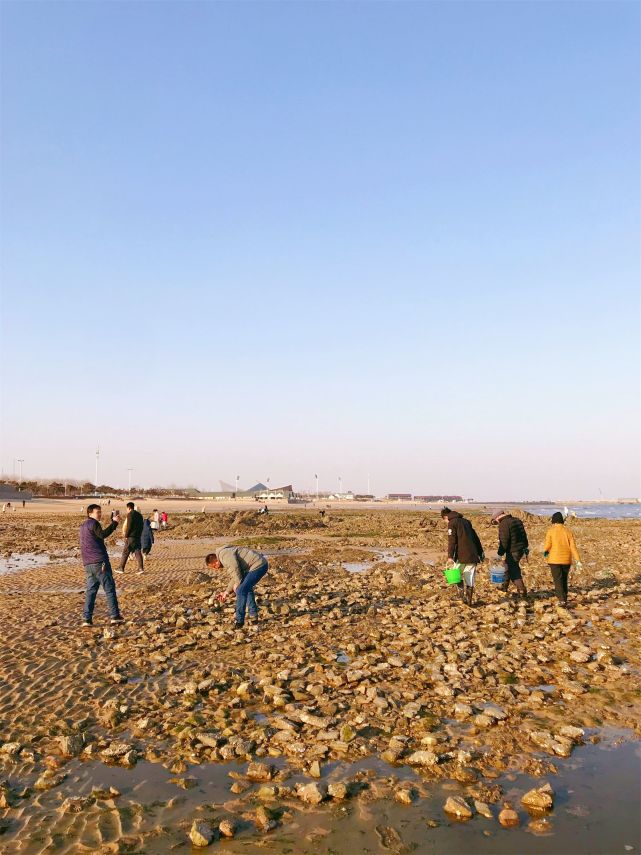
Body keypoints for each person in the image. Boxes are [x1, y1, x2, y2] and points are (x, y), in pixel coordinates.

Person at [79, 504, 124, 626]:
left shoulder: (83, 526)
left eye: (100, 511)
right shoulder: (93, 524)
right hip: (99, 562)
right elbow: (103, 534)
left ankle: (87, 619)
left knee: (91, 592)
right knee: (109, 589)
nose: (100, 514)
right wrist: (114, 523)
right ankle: (115, 616)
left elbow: (95, 538)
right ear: (90, 513)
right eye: (97, 512)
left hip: (88, 563)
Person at [205, 546, 269, 629]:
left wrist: (238, 583)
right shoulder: (225, 555)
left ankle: (239, 621)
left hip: (258, 565)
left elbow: (235, 569)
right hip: (255, 565)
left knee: (241, 590)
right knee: (246, 588)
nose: (216, 569)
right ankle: (254, 617)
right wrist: (226, 592)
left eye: (214, 567)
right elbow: (235, 575)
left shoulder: (224, 555)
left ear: (216, 562)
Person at [441, 508, 484, 606]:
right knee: (470, 577)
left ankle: (460, 595)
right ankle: (468, 600)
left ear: (446, 517)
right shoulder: (466, 522)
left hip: (461, 554)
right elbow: (475, 537)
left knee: (456, 574)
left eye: (445, 520)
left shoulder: (452, 523)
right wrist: (480, 552)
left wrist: (450, 556)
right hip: (473, 554)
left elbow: (452, 540)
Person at [544, 511, 582, 607]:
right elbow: (573, 547)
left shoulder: (551, 531)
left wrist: (546, 551)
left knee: (558, 580)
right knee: (564, 579)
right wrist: (578, 560)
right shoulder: (568, 532)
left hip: (554, 560)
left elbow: (548, 545)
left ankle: (562, 600)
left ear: (554, 521)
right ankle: (564, 599)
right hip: (566, 560)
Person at [491, 510, 529, 599]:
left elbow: (504, 541)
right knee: (506, 566)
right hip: (521, 549)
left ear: (498, 517)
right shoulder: (517, 520)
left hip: (513, 550)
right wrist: (526, 547)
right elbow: (524, 535)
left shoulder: (504, 524)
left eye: (495, 520)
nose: (496, 522)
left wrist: (499, 554)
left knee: (513, 570)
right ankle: (504, 586)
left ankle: (522, 590)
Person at [117, 501, 144, 574]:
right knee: (138, 552)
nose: (126, 510)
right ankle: (141, 568)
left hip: (131, 537)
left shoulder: (130, 514)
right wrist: (139, 534)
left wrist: (126, 536)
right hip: (138, 536)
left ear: (129, 508)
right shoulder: (140, 515)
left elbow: (129, 526)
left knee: (125, 552)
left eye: (126, 509)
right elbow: (142, 526)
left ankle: (121, 568)